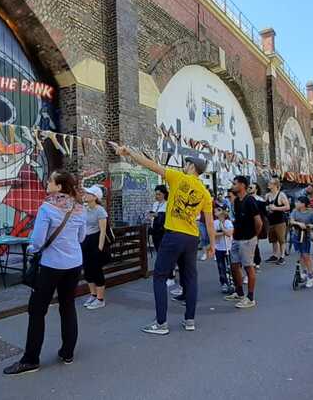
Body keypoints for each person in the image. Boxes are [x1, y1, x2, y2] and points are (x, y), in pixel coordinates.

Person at [112, 143, 215, 334]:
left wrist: (129, 152)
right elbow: (209, 222)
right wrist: (212, 245)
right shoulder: (205, 193)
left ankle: (161, 324)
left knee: (159, 277)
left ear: (192, 167)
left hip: (173, 235)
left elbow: (150, 165)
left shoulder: (178, 177)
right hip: (192, 238)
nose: (184, 166)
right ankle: (189, 320)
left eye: (186, 163)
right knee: (190, 279)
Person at [4, 170, 86, 375]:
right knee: (67, 306)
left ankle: (31, 359)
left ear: (59, 186)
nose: (46, 182)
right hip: (74, 264)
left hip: (51, 266)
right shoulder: (79, 208)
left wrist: (32, 250)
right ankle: (67, 352)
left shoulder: (47, 208)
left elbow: (37, 241)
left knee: (37, 310)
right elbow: (82, 237)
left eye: (50, 180)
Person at [224, 176, 263, 308]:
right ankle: (239, 292)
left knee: (248, 267)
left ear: (242, 185)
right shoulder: (236, 201)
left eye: (235, 184)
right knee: (234, 266)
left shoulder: (250, 201)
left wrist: (253, 236)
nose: (233, 186)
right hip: (237, 238)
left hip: (247, 239)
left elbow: (258, 222)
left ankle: (250, 297)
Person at [81, 185, 109, 310]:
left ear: (95, 197)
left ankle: (100, 298)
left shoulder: (100, 210)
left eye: (88, 193)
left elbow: (103, 231)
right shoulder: (85, 209)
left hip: (95, 240)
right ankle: (93, 294)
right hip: (85, 241)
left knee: (96, 270)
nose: (85, 195)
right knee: (87, 270)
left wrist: (99, 248)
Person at [289, 196, 313, 288]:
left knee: (306, 255)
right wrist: (298, 223)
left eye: (297, 202)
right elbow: (291, 220)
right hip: (296, 236)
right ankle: (304, 272)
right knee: (300, 255)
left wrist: (310, 226)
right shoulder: (295, 211)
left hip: (305, 236)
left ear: (303, 204)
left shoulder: (311, 213)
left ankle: (311, 276)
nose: (295, 203)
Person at [265, 178, 290, 265]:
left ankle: (282, 256)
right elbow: (266, 206)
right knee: (273, 239)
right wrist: (267, 208)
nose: (268, 184)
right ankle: (275, 255)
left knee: (281, 240)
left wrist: (276, 208)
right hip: (271, 221)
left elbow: (287, 207)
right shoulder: (267, 195)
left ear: (276, 185)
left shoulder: (281, 195)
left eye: (270, 183)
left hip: (280, 221)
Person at [213, 205, 234, 294]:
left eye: (216, 211)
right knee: (221, 267)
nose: (215, 213)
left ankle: (232, 282)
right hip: (219, 248)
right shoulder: (215, 222)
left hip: (228, 248)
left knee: (230, 266)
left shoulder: (228, 222)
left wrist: (222, 228)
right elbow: (213, 234)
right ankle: (224, 283)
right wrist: (223, 232)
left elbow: (229, 233)